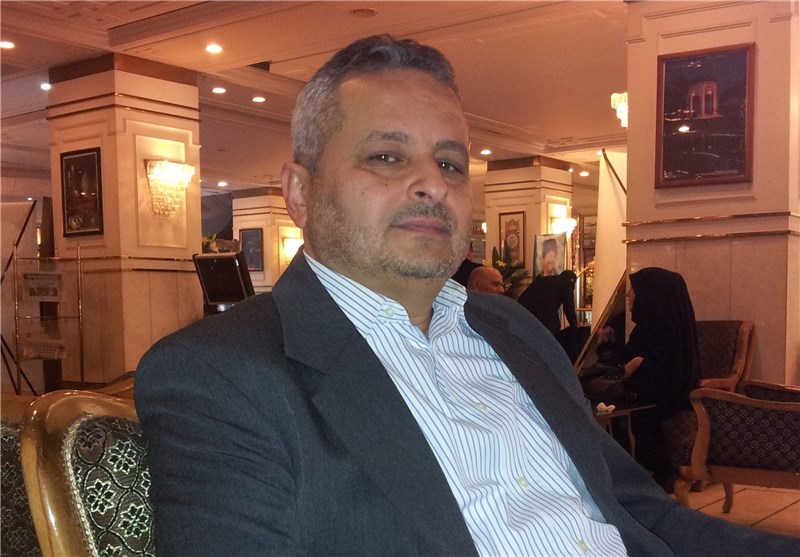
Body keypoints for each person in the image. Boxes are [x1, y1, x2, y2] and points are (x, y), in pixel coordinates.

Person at [135, 35, 799, 556]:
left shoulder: (511, 328)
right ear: (300, 193)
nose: (433, 182)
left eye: (450, 162)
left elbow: (640, 513)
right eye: (388, 157)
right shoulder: (220, 372)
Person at [622, 267, 701, 492]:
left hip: (668, 400)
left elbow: (668, 373)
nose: (628, 295)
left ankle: (658, 472)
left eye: (633, 289)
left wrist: (639, 364)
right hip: (650, 395)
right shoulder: (646, 328)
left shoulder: (667, 331)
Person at [517, 269, 579, 336]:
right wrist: (574, 324)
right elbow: (568, 307)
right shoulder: (567, 283)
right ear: (572, 280)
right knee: (552, 331)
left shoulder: (542, 280)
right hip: (544, 315)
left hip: (525, 312)